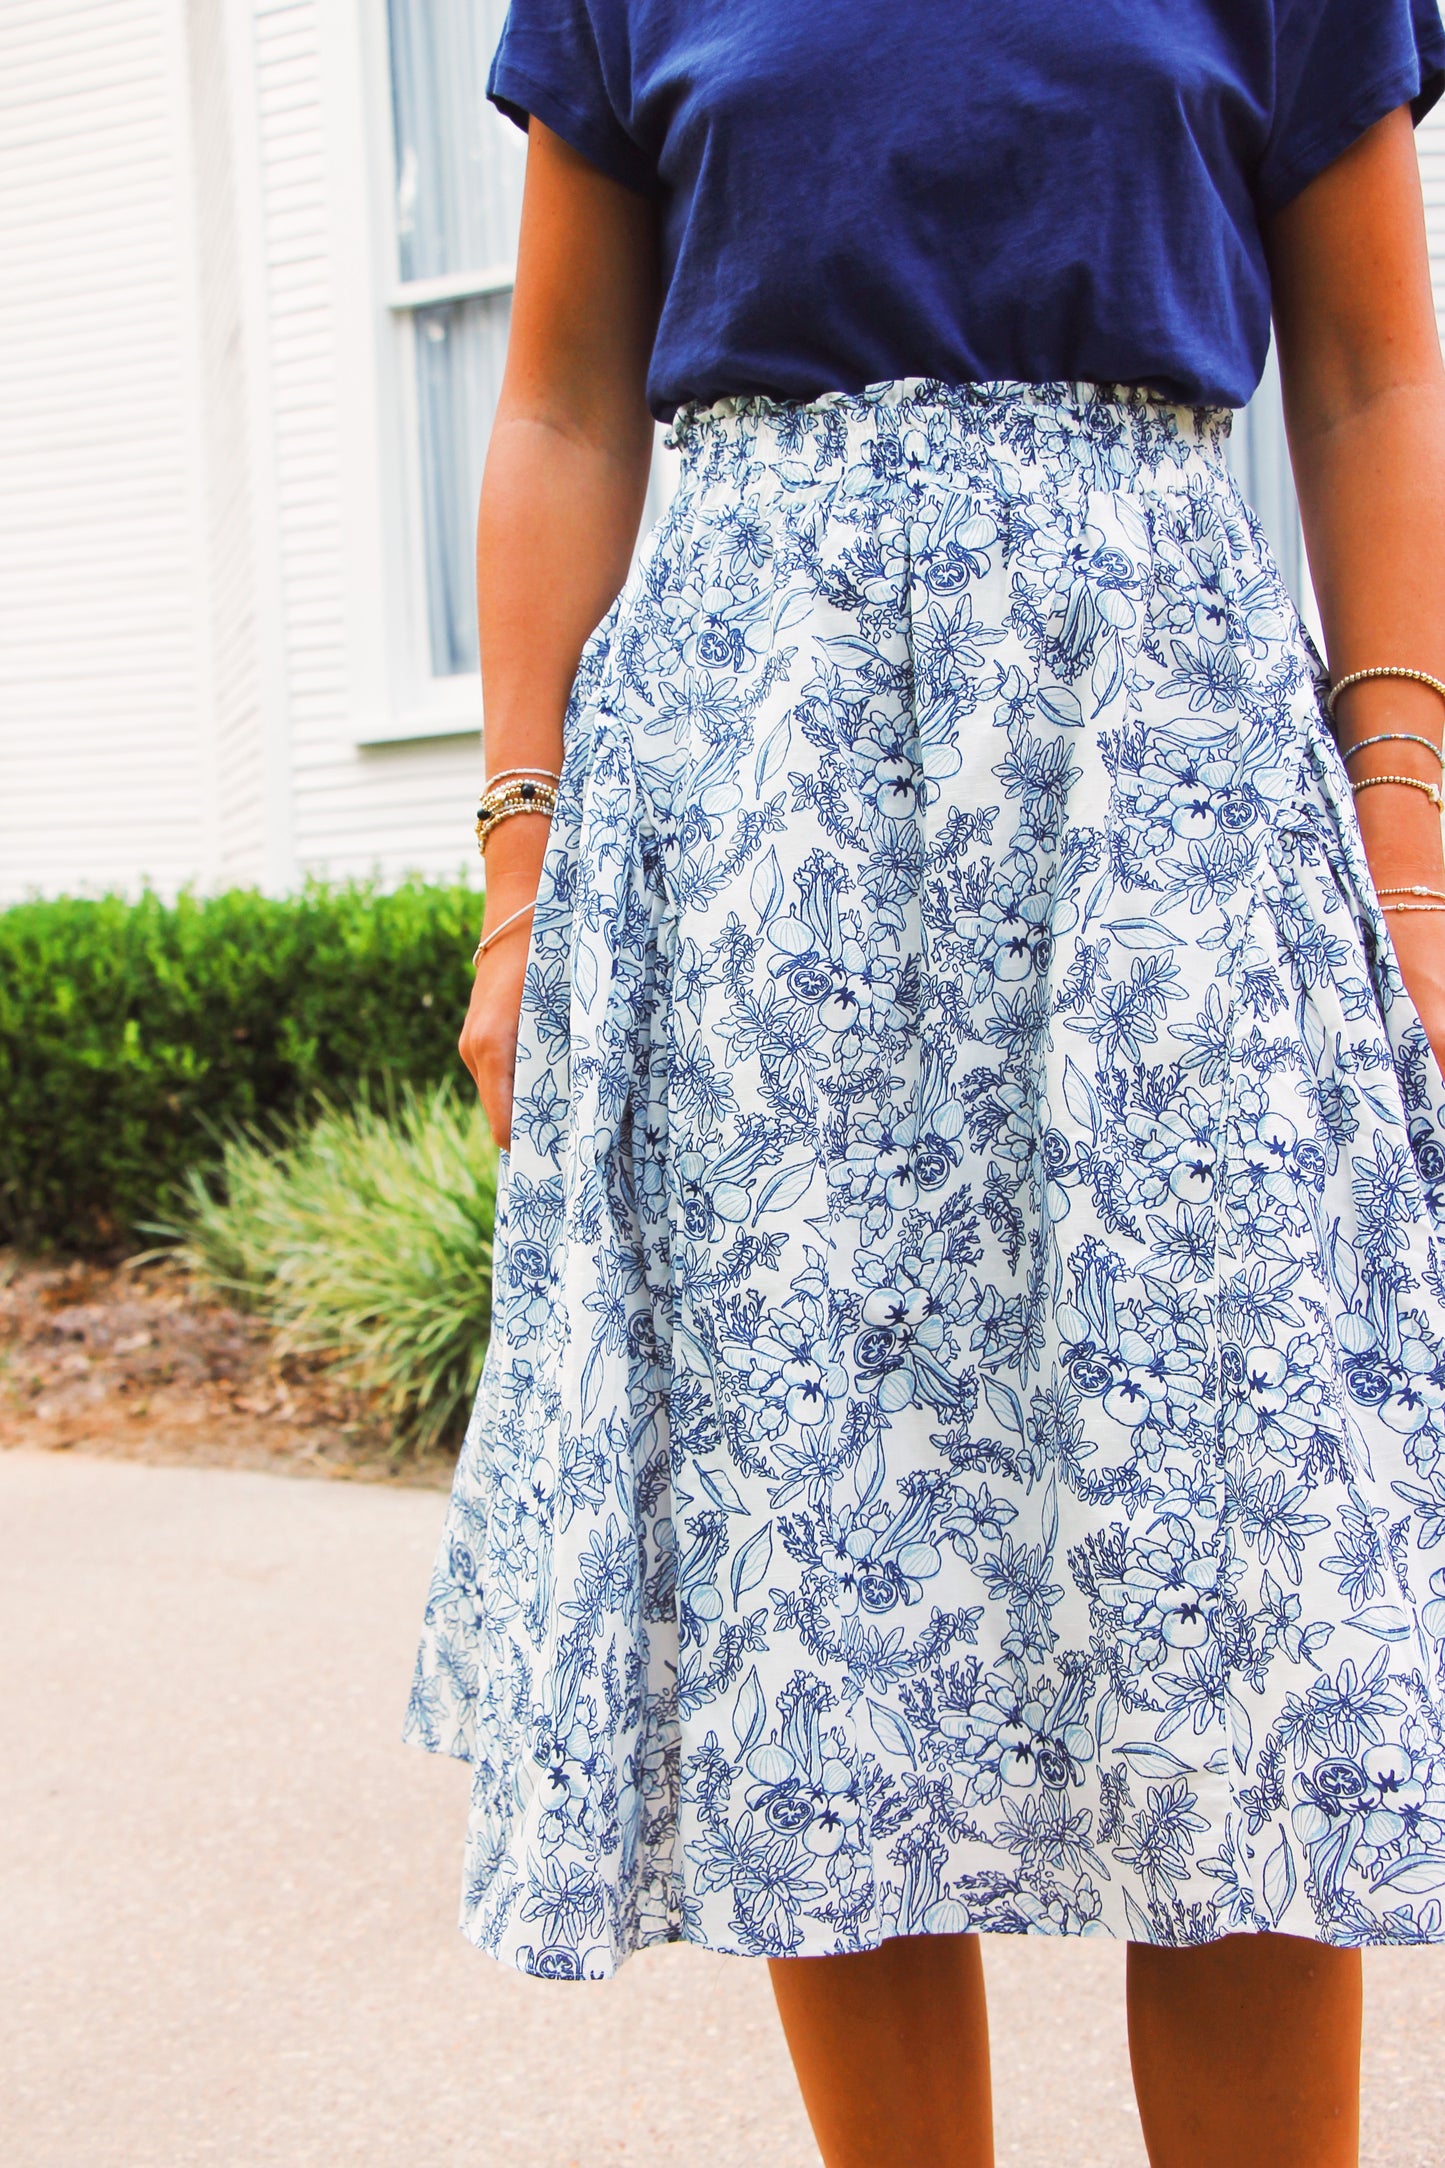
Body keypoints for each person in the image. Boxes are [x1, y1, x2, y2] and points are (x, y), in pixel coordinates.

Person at [405, 4, 1445, 2161]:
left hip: (1147, 762)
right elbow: (566, 399)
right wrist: (521, 866)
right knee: (824, 1557)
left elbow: (1370, 368)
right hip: (760, 784)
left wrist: (1410, 829)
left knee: (1231, 1556)